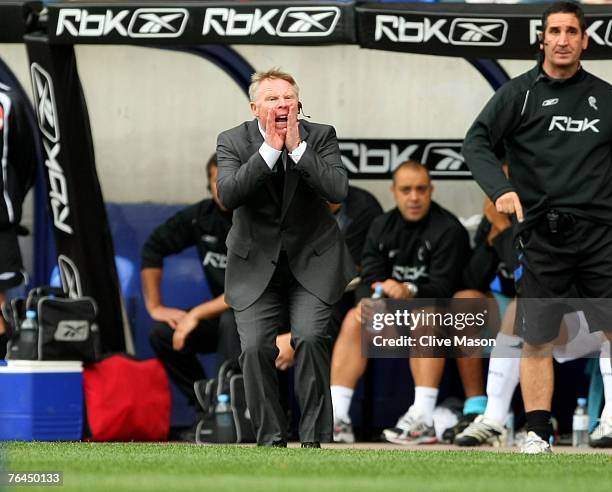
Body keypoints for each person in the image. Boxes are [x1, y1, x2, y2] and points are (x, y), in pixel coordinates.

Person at [463, 1, 612, 453]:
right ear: (542, 39)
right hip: (543, 234)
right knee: (535, 337)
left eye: (572, 31)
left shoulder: (605, 97)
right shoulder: (520, 93)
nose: (563, 39)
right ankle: (536, 433)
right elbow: (476, 142)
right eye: (555, 31)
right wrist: (498, 189)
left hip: (602, 231)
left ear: (586, 40)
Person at [216, 69, 355, 447]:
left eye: (288, 98)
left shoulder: (320, 136)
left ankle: (312, 440)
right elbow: (228, 195)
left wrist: (297, 150)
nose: (282, 105)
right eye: (273, 99)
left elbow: (337, 188)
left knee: (310, 337)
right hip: (254, 266)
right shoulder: (232, 141)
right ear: (255, 107)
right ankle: (271, 439)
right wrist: (270, 152)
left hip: (313, 260)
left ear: (299, 104)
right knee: (255, 347)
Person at [329, 160, 471, 444]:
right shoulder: (382, 225)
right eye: (406, 190)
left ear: (431, 190)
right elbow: (369, 278)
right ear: (394, 191)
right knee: (356, 316)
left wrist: (408, 290)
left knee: (427, 314)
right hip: (394, 317)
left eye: (421, 189)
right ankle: (337, 419)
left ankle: (422, 419)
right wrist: (377, 298)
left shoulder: (449, 228)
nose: (414, 197)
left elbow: (445, 289)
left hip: (448, 324)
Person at [143, 154, 242, 436]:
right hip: (220, 313)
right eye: (216, 181)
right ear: (208, 185)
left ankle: (231, 405)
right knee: (163, 334)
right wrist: (154, 307)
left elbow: (245, 291)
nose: (222, 188)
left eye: (229, 180)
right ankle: (207, 405)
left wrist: (196, 314)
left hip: (264, 318)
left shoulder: (256, 218)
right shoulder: (201, 217)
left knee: (232, 318)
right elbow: (153, 246)